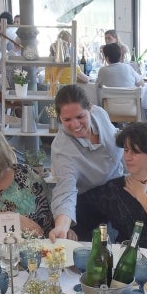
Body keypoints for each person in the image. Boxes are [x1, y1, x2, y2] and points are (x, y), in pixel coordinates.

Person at [78, 122, 147, 255]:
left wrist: (142, 196)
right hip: (125, 260)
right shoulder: (115, 187)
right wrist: (67, 226)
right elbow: (83, 207)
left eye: (135, 152)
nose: (128, 157)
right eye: (126, 150)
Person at [48, 84, 124, 240]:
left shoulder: (101, 114)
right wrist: (62, 226)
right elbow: (65, 190)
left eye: (80, 116)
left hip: (121, 185)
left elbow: (117, 137)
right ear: (59, 118)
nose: (75, 124)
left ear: (90, 108)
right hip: (89, 198)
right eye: (67, 119)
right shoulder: (61, 148)